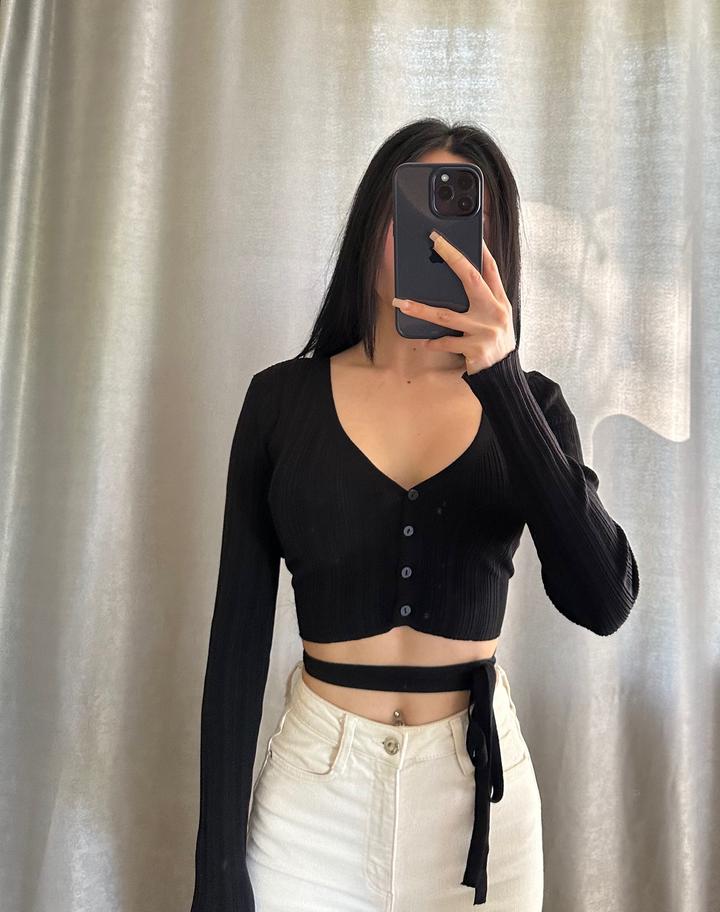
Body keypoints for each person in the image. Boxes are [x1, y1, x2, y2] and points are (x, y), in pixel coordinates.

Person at [190, 118, 640, 911]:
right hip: (313, 799)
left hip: (478, 808)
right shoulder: (280, 402)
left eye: (461, 223)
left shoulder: (533, 407)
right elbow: (236, 643)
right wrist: (217, 867)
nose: (434, 243)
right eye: (414, 212)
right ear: (373, 224)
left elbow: (603, 600)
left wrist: (500, 378)